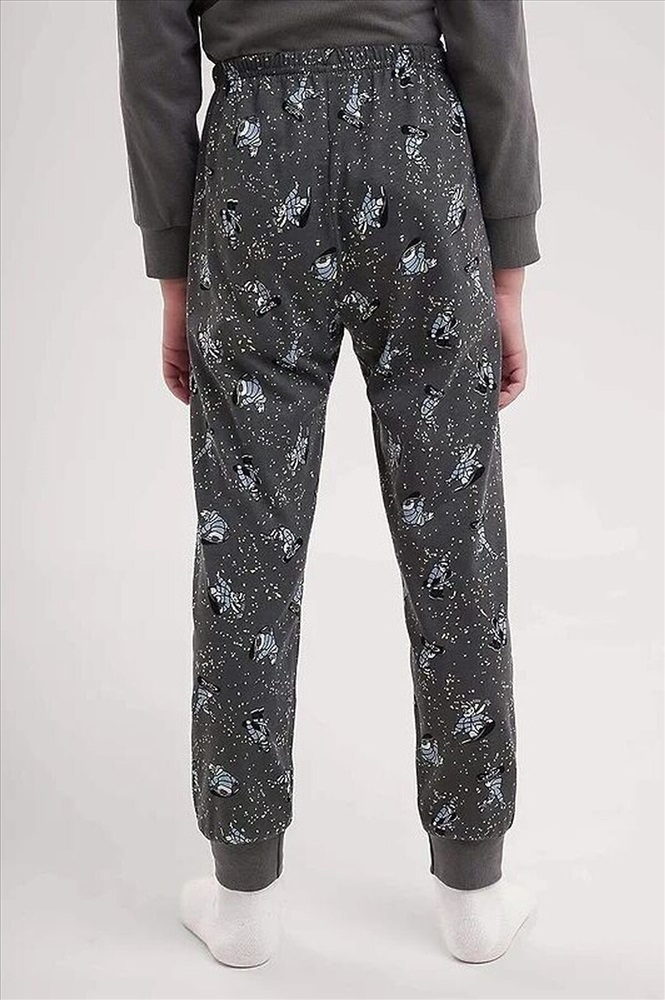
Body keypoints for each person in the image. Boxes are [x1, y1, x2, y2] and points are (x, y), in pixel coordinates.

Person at [115, 0, 541, 968]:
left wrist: (174, 271)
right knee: (455, 534)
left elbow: (153, 64)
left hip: (253, 163)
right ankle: (472, 892)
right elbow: (489, 34)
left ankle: (241, 901)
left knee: (245, 542)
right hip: (416, 154)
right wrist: (506, 264)